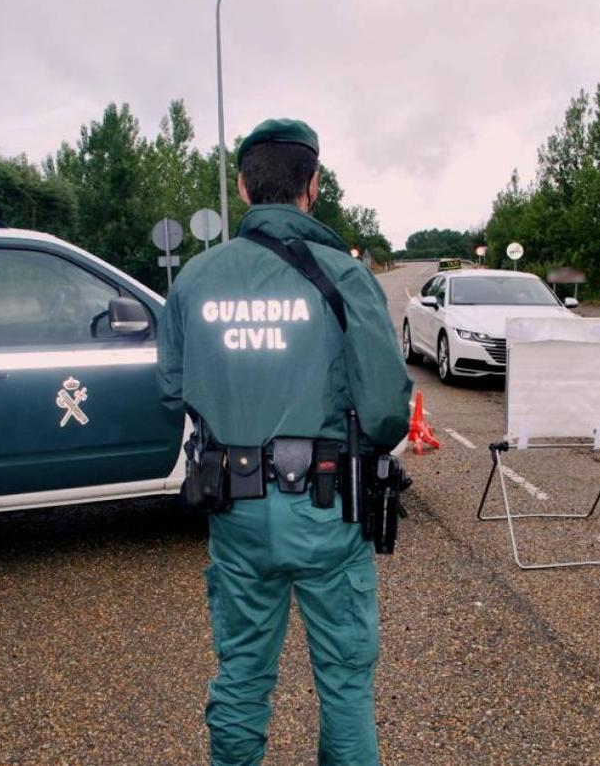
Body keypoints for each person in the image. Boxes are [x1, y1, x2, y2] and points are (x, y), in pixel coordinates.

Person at [157, 118, 412, 766]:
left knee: (242, 676)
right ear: (313, 185)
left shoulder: (196, 279)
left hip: (235, 506)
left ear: (243, 187)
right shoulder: (344, 275)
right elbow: (388, 411)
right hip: (327, 509)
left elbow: (172, 392)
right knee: (345, 684)